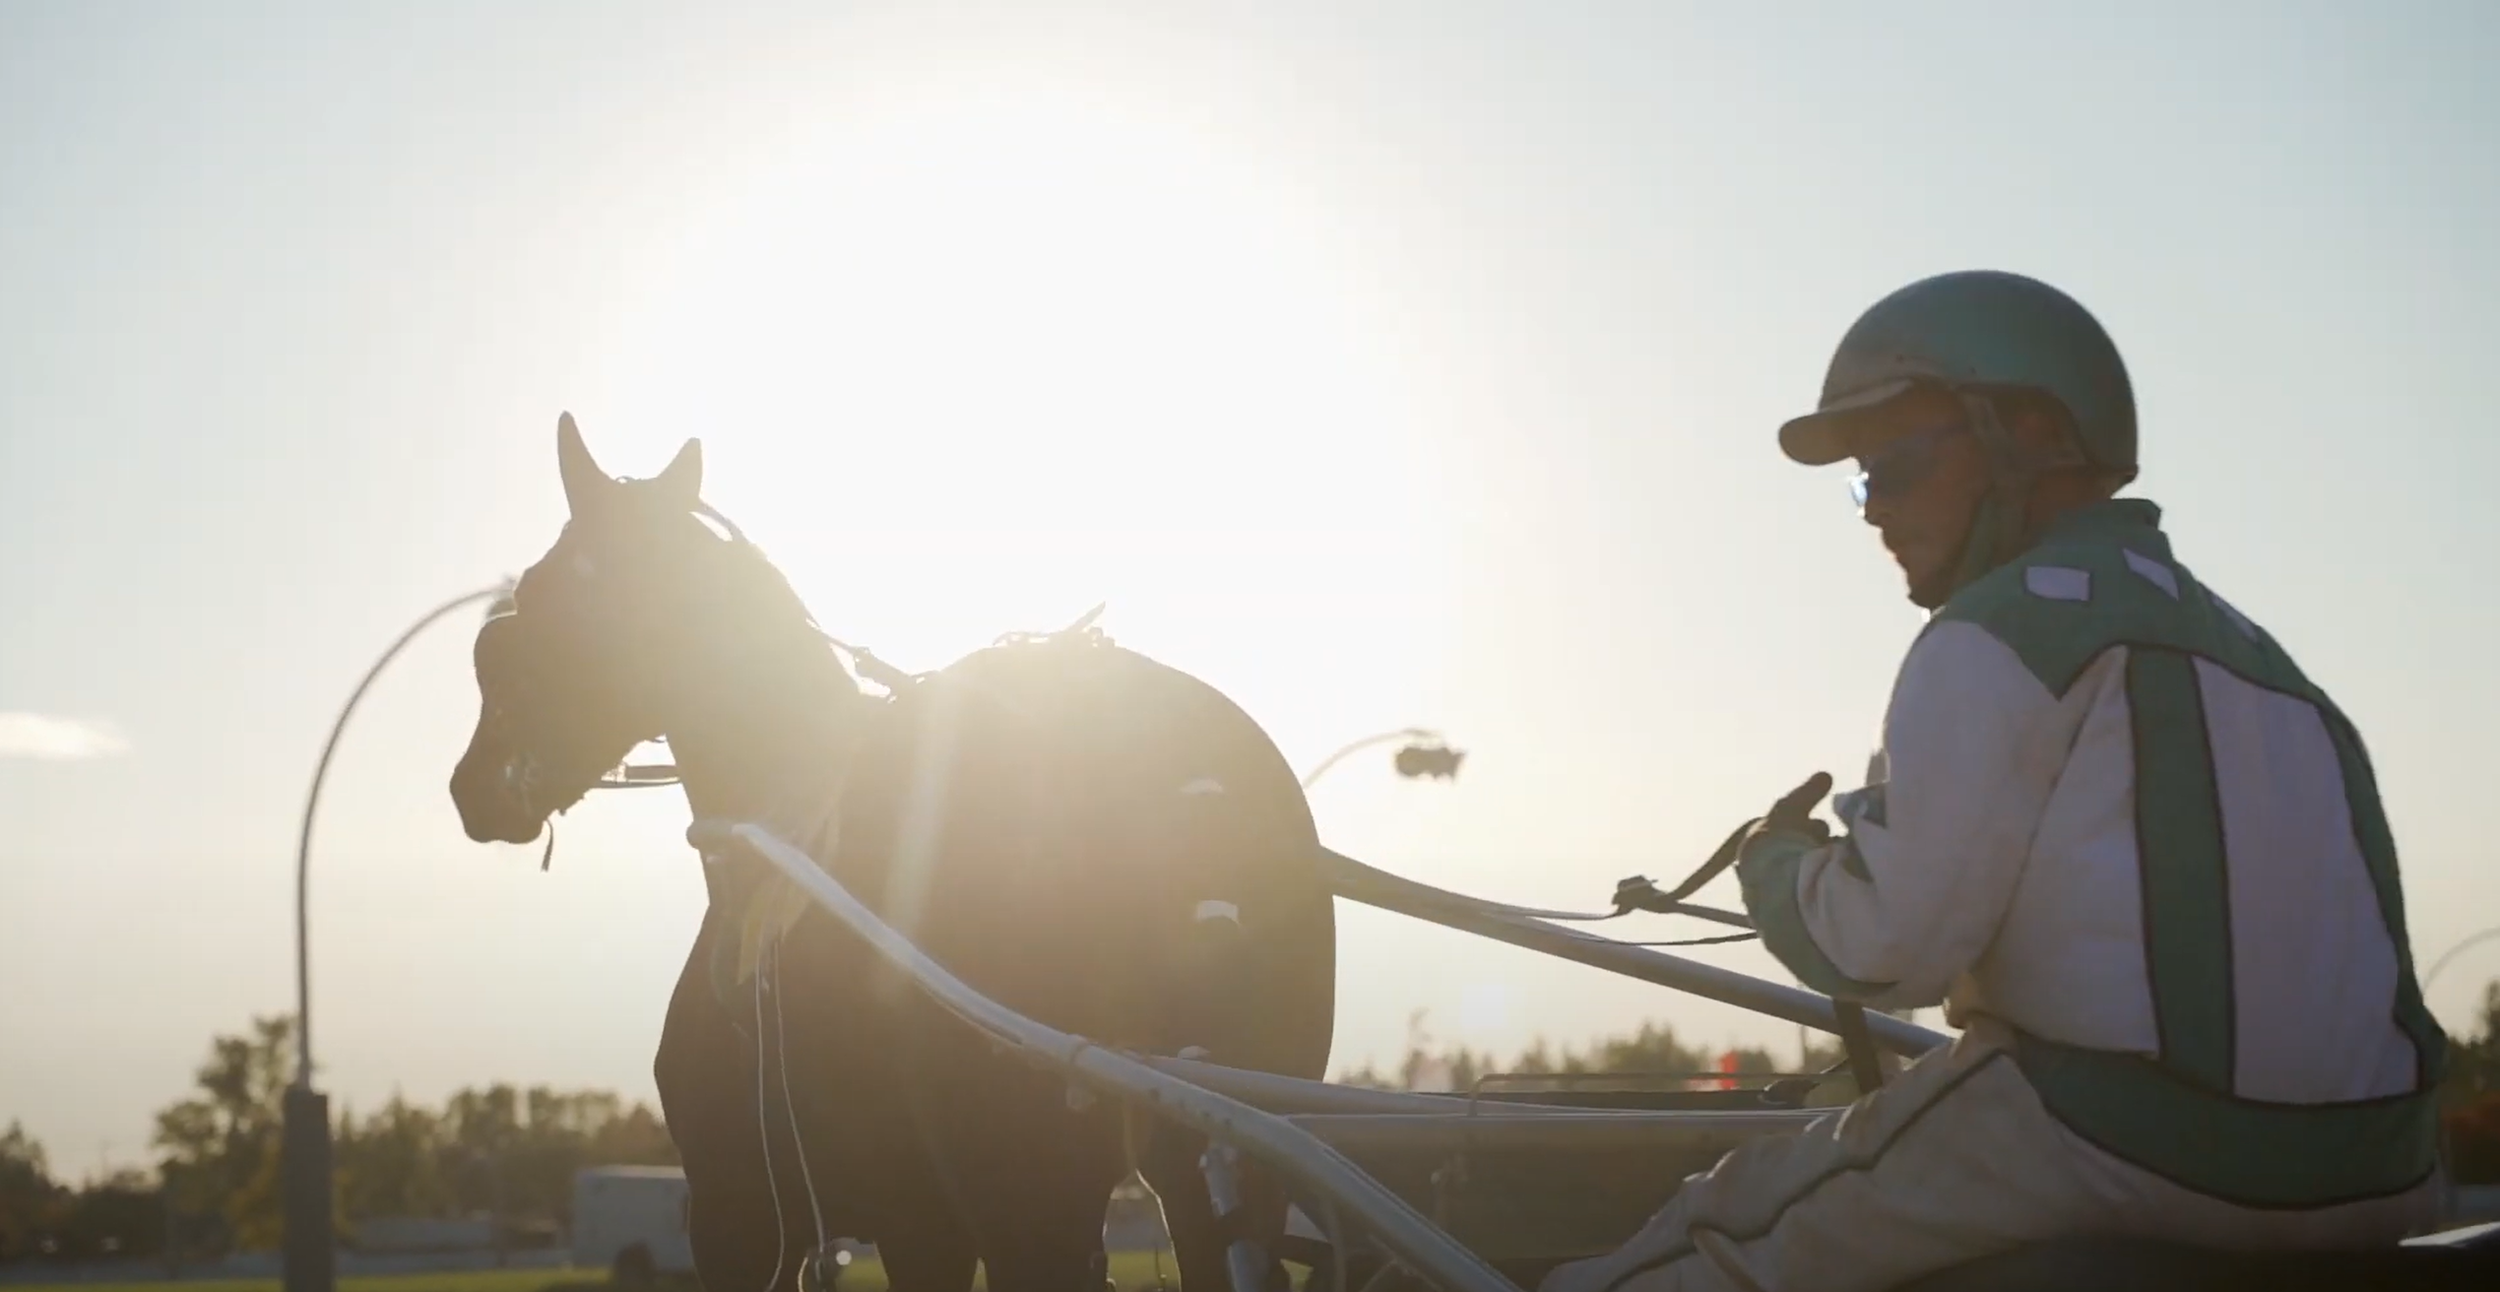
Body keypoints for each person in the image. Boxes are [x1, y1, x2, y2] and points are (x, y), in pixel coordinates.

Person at [1539, 269, 2450, 1292]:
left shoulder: (1991, 632)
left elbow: (1888, 949)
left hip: (2121, 1137)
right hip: (2382, 1168)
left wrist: (1776, 865)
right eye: (1860, 482)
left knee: (1725, 1222)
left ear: (2033, 435)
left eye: (1892, 466)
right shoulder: (2277, 671)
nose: (1872, 511)